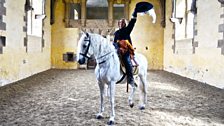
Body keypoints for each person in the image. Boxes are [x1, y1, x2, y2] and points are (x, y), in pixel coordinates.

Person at [113, 10, 138, 87]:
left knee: (127, 61)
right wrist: (116, 47)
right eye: (119, 23)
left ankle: (130, 79)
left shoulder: (127, 30)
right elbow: (114, 42)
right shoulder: (116, 33)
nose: (120, 24)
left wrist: (134, 16)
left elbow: (132, 23)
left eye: (122, 23)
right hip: (117, 50)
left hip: (126, 51)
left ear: (124, 24)